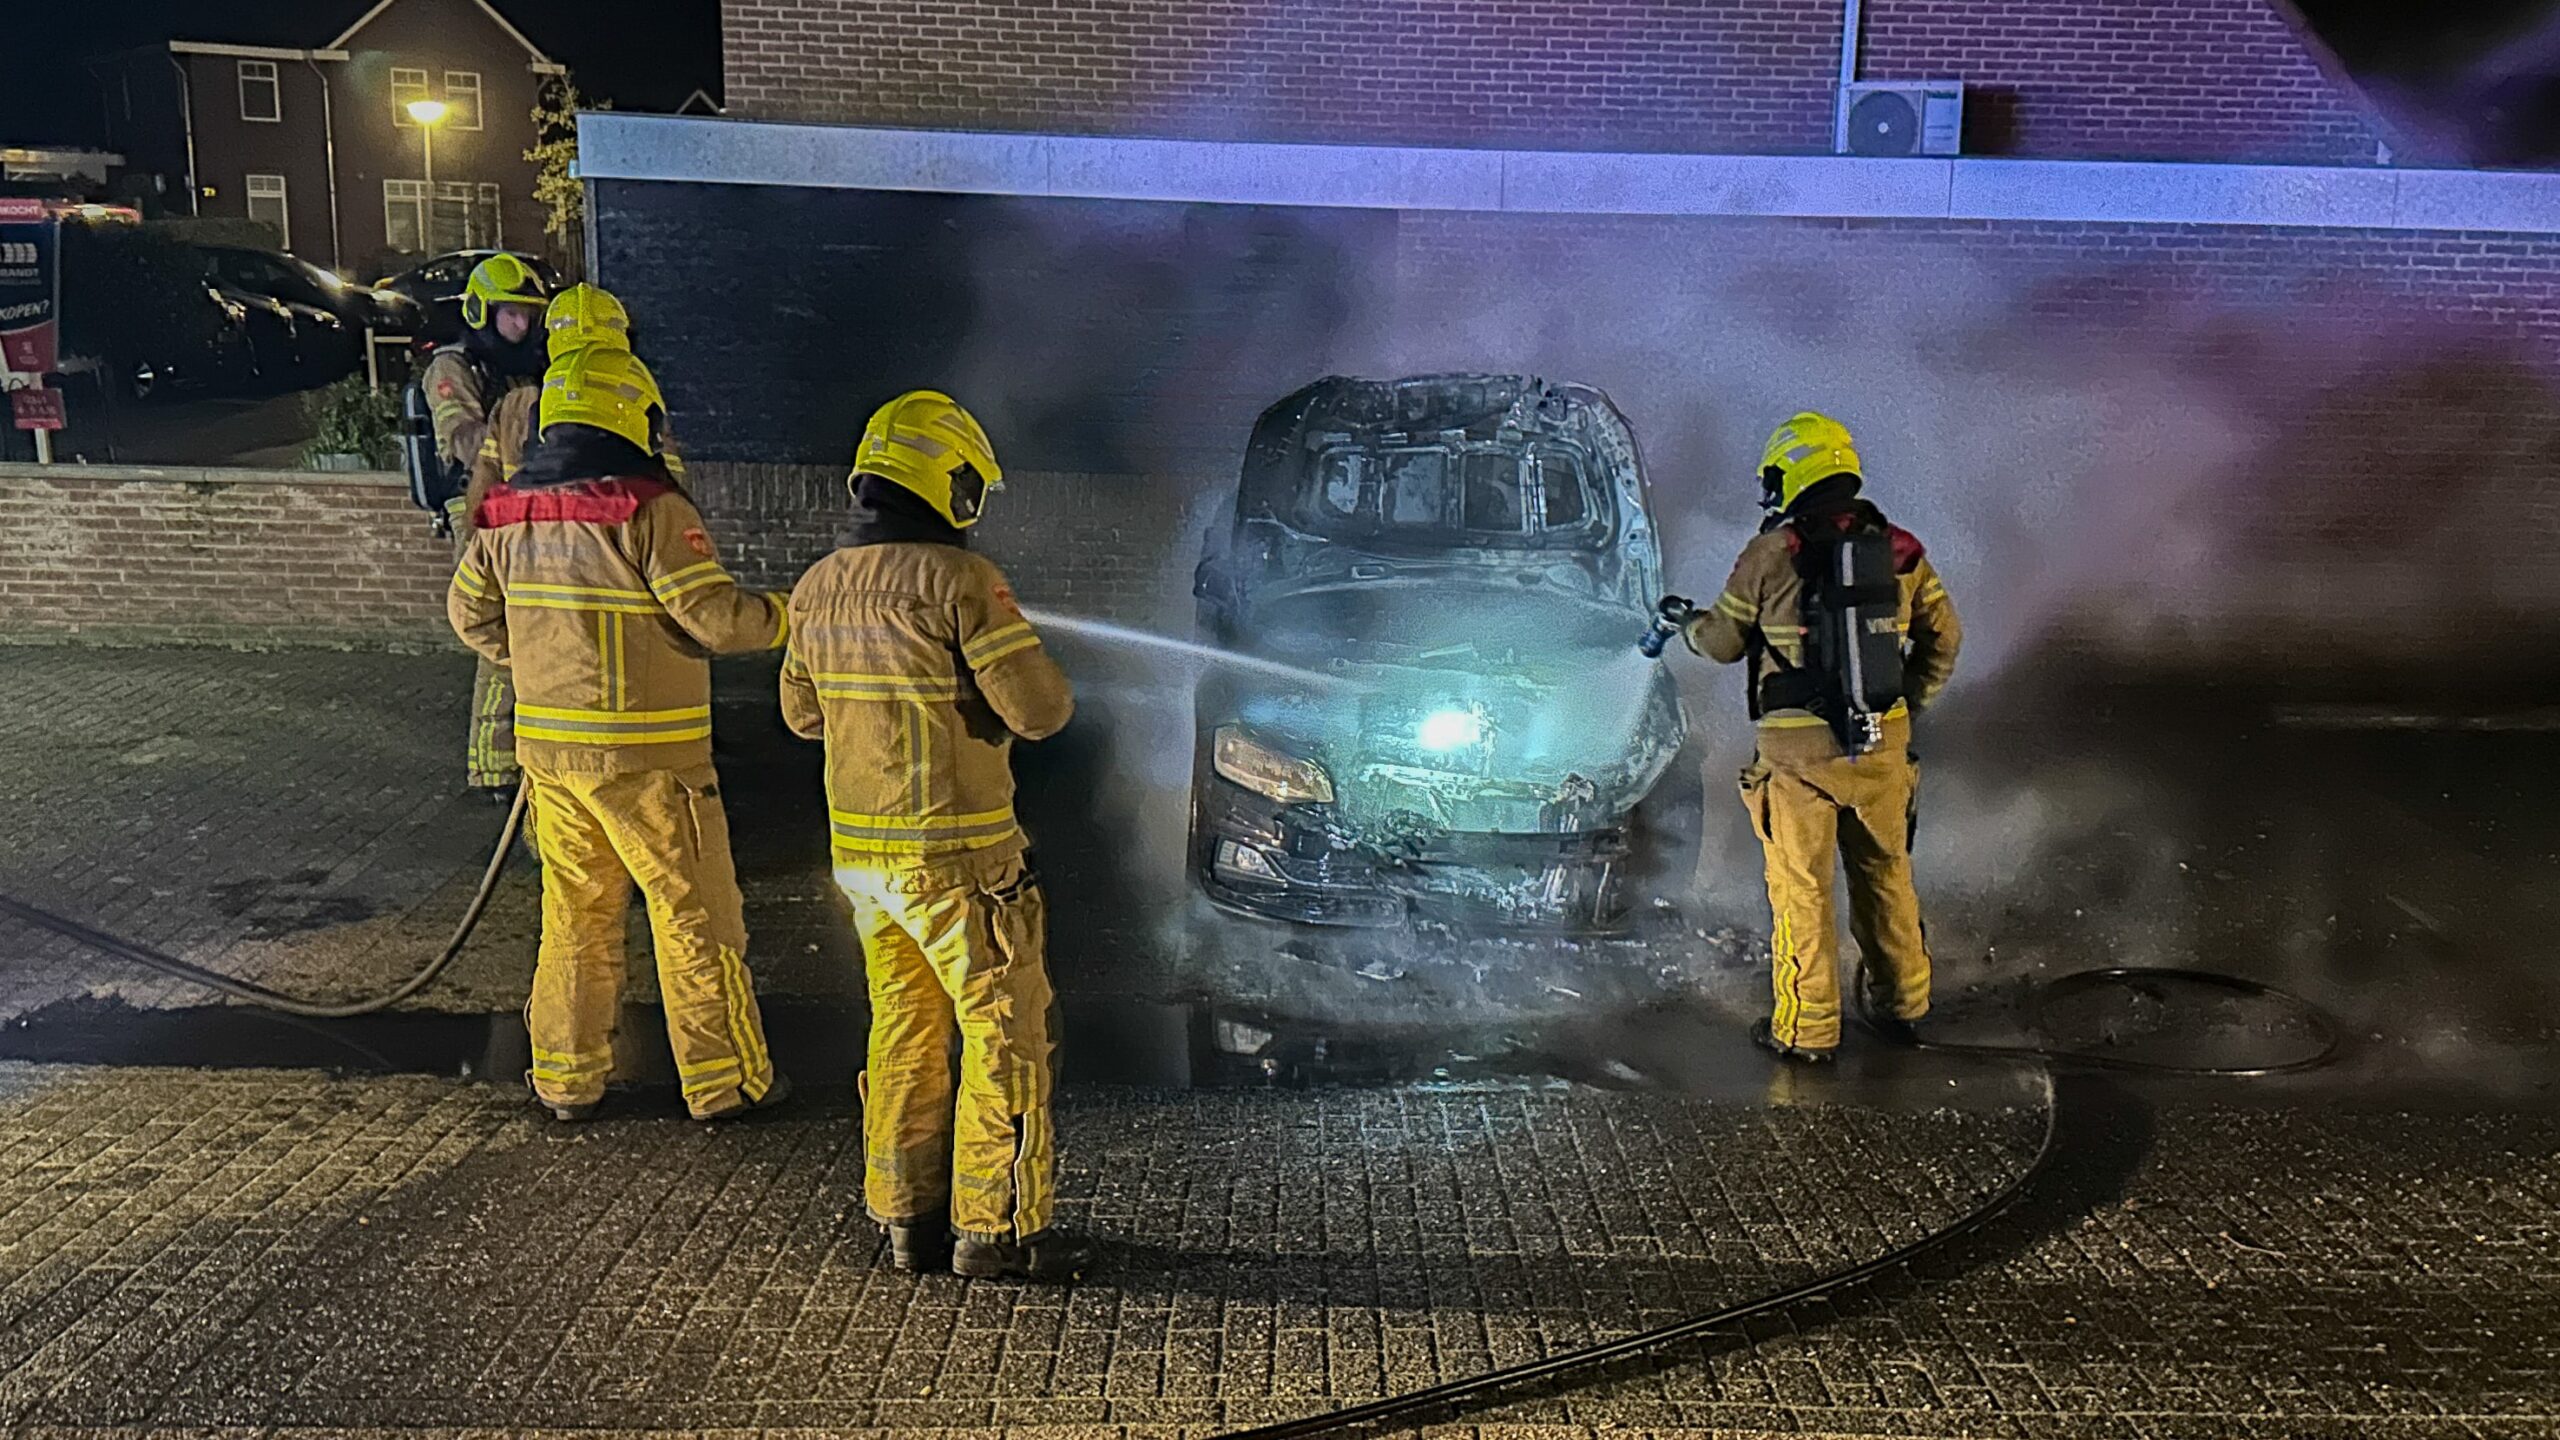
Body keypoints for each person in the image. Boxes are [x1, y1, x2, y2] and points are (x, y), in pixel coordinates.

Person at [779, 390, 1082, 1281]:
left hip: (864, 866)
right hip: (961, 861)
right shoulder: (962, 582)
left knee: (902, 1031)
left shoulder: (817, 586)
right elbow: (1039, 712)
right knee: (1003, 1033)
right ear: (949, 484)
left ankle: (903, 1219)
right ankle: (997, 1227)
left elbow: (801, 716)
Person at [447, 342, 792, 1122]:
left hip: (552, 760)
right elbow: (715, 619)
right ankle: (726, 1081)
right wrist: (790, 616)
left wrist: (538, 663)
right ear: (631, 417)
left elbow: (468, 617)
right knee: (693, 915)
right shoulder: (650, 510)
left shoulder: (505, 513)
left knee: (575, 916)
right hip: (650, 760)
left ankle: (565, 1080)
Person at [1673, 412, 1962, 1062]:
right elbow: (1945, 636)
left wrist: (1687, 625)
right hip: (1881, 743)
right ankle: (1905, 1007)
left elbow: (1721, 643)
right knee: (1886, 875)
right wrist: (1906, 707)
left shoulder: (1770, 554)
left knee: (1802, 891)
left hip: (1798, 757)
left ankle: (1808, 1033)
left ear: (1792, 474)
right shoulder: (1901, 549)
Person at [424, 253, 552, 798]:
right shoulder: (453, 370)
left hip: (527, 504)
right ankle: (492, 767)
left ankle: (530, 751)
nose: (521, 324)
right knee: (500, 632)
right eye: (510, 314)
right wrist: (521, 429)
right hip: (475, 508)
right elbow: (462, 440)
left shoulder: (529, 368)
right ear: (482, 312)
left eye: (528, 314)